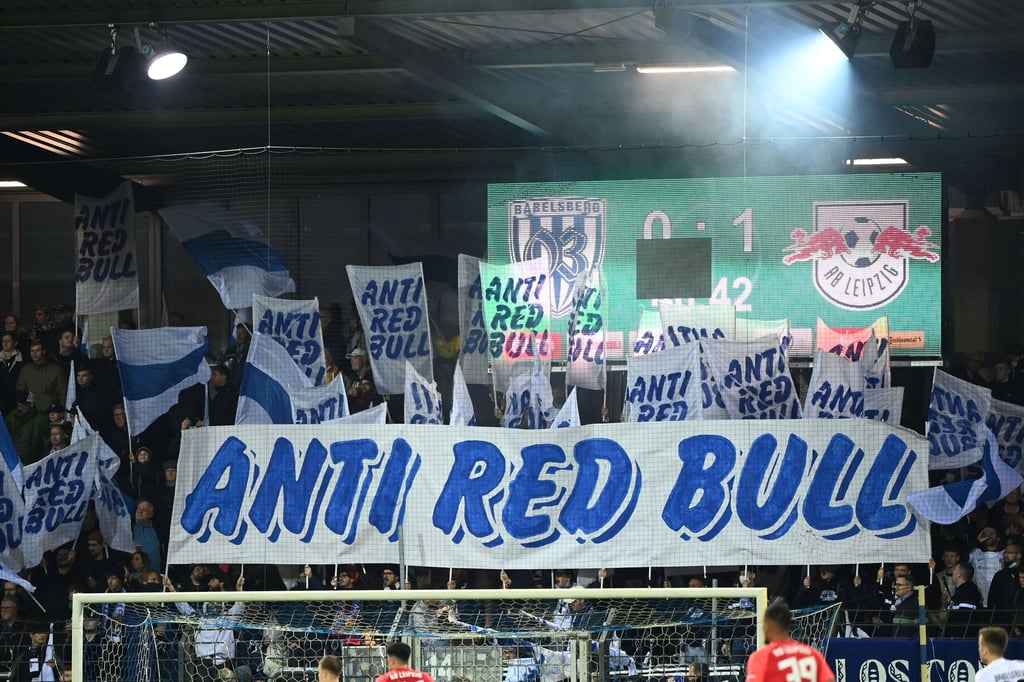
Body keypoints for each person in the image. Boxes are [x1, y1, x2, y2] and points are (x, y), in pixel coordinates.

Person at [746, 603, 834, 682]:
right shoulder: (812, 653)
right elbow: (829, 680)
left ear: (766, 627)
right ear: (788, 626)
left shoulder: (762, 657)